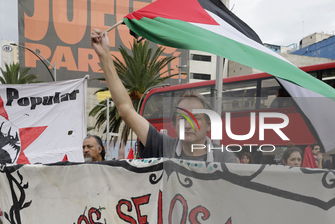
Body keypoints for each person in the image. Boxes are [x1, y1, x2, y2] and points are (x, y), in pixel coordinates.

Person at [90, 29, 236, 163]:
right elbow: (125, 109)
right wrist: (104, 55)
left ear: (208, 125)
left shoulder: (224, 157)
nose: (188, 125)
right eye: (182, 119)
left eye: (196, 118)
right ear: (174, 125)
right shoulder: (162, 146)